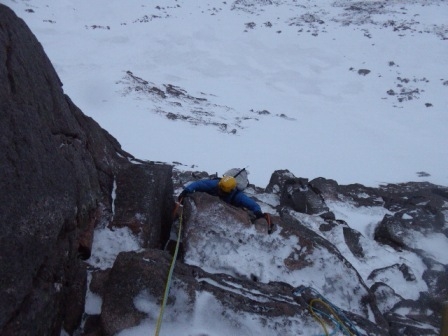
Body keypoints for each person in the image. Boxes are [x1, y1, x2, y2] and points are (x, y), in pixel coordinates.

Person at [178, 176, 266, 220]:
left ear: (231, 191)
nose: (219, 191)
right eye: (220, 188)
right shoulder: (215, 184)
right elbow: (198, 184)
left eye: (222, 191)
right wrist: (186, 191)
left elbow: (253, 205)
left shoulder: (237, 196)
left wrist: (257, 212)